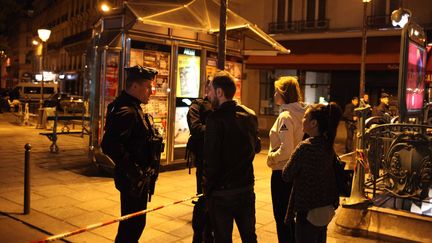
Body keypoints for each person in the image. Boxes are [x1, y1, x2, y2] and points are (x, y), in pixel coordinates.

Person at [101, 65, 161, 243]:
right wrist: (134, 172)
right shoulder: (126, 110)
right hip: (133, 180)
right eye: (148, 87)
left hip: (136, 179)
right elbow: (109, 145)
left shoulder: (132, 106)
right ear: (135, 87)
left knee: (134, 224)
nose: (151, 91)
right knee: (132, 226)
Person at [203, 70, 261, 243]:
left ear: (219, 92)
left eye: (210, 90)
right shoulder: (249, 115)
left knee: (222, 238)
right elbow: (256, 147)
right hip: (246, 188)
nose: (208, 95)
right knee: (249, 236)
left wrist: (208, 189)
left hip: (222, 193)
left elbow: (211, 160)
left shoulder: (214, 119)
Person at [282, 103, 342, 243]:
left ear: (314, 123)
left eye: (305, 117)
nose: (302, 120)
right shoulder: (328, 146)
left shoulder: (305, 147)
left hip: (307, 211)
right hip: (325, 209)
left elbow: (286, 175)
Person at [267, 76, 306, 243]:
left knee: (281, 218)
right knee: (292, 218)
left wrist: (271, 158)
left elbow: (287, 149)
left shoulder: (285, 116)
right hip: (297, 172)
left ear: (283, 93)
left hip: (282, 172)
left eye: (276, 90)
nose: (274, 93)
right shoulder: (303, 113)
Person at [186, 80, 214, 243]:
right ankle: (200, 234)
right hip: (204, 160)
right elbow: (195, 128)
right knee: (203, 198)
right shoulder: (197, 106)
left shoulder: (222, 107)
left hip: (220, 162)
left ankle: (208, 232)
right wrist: (217, 129)